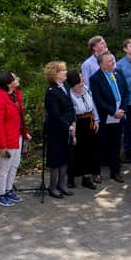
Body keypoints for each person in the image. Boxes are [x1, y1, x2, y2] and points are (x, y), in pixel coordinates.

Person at [0, 72, 31, 207]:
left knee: (14, 165)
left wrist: (24, 134)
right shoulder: (0, 100)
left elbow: (20, 118)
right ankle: (0, 195)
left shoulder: (15, 96)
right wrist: (2, 146)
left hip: (16, 136)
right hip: (6, 140)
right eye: (14, 78)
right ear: (9, 83)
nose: (17, 78)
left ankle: (8, 190)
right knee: (4, 167)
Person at [90, 51, 129, 184]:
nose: (113, 62)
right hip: (105, 116)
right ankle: (96, 173)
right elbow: (98, 100)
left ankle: (115, 171)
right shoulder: (95, 78)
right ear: (102, 65)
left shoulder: (119, 73)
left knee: (116, 144)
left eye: (113, 60)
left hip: (120, 115)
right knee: (100, 145)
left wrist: (122, 109)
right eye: (110, 61)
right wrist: (113, 111)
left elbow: (126, 92)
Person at [43, 61, 76, 199]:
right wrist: (67, 126)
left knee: (65, 157)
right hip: (56, 130)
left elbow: (71, 107)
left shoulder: (66, 86)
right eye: (63, 70)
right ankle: (52, 186)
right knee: (56, 158)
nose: (66, 72)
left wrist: (73, 121)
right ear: (55, 74)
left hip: (68, 126)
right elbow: (54, 114)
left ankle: (62, 184)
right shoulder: (51, 92)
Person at [66, 70, 99, 190]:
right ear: (74, 80)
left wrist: (96, 120)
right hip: (77, 123)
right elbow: (70, 112)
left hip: (89, 122)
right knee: (74, 151)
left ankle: (86, 178)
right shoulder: (69, 94)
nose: (83, 79)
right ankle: (71, 177)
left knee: (88, 150)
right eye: (80, 77)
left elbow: (93, 105)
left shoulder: (87, 89)